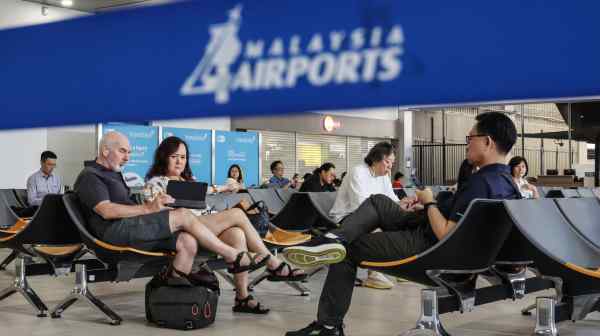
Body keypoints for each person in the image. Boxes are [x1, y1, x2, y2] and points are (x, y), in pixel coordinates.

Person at [284, 112, 521, 336]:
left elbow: (445, 233)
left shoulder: (480, 184)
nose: (467, 143)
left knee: (345, 251)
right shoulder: (507, 184)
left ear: (487, 141)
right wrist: (427, 206)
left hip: (431, 248)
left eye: (470, 138)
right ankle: (331, 239)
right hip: (451, 247)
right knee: (377, 202)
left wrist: (429, 204)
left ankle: (328, 326)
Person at [75, 133, 305, 315]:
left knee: (235, 231)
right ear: (105, 150)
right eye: (122, 151)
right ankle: (251, 258)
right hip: (115, 232)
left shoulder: (114, 174)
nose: (127, 157)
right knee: (208, 215)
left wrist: (150, 209)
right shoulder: (90, 176)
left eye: (129, 152)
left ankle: (242, 296)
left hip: (136, 225)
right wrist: (148, 208)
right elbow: (106, 210)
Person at [328, 142, 412, 290]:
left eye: (392, 163)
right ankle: (374, 274)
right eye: (387, 162)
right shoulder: (357, 172)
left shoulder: (384, 176)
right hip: (348, 216)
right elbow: (360, 208)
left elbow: (391, 200)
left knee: (403, 223)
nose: (390, 167)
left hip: (371, 215)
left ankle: (399, 266)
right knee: (380, 229)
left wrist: (404, 204)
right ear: (375, 159)